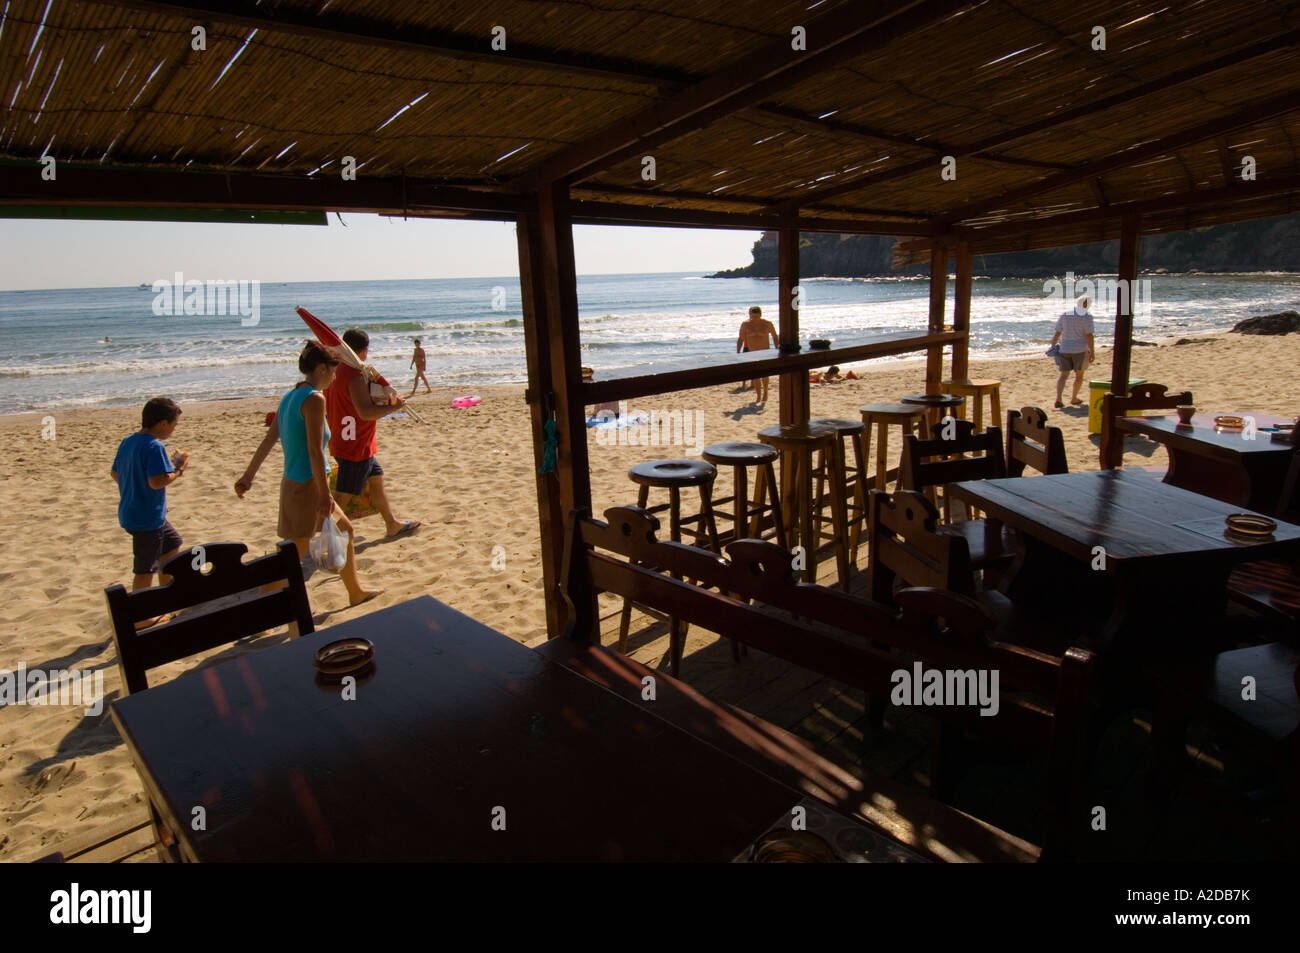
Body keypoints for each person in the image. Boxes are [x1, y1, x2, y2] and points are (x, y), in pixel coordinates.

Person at [235, 341, 382, 607]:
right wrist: (324, 494)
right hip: (309, 487)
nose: (335, 377)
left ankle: (355, 591)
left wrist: (248, 476)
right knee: (296, 552)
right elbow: (315, 451)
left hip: (294, 482)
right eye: (333, 372)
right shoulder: (314, 399)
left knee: (345, 531)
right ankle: (262, 604)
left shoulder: (291, 396)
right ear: (322, 368)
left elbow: (269, 439)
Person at [328, 329, 420, 539]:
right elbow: (365, 412)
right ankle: (323, 534)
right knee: (343, 496)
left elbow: (348, 405)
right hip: (355, 445)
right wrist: (393, 408)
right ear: (364, 350)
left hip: (347, 439)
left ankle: (392, 524)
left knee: (376, 479)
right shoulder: (355, 376)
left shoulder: (335, 370)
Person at [111, 397, 187, 627]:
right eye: (174, 425)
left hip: (134, 511)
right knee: (145, 568)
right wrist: (179, 469)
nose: (174, 429)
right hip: (147, 518)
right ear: (163, 423)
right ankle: (141, 616)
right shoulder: (154, 446)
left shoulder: (129, 441)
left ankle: (165, 596)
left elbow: (115, 473)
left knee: (172, 544)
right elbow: (157, 482)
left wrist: (134, 482)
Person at [1049, 294, 1096, 408]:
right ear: (1086, 304)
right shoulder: (1087, 316)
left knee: (1063, 375)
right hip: (1080, 350)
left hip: (1064, 349)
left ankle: (1059, 399)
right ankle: (1074, 398)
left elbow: (1057, 333)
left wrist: (1052, 346)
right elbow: (1089, 336)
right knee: (1079, 375)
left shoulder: (1065, 315)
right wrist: (1092, 352)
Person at [737, 306, 778, 404]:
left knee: (765, 375)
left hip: (765, 352)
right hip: (752, 353)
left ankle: (765, 392)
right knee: (756, 376)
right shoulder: (745, 324)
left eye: (756, 316)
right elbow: (741, 338)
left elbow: (775, 336)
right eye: (752, 316)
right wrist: (738, 352)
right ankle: (758, 395)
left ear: (760, 314)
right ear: (749, 314)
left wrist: (777, 349)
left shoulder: (767, 323)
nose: (754, 318)